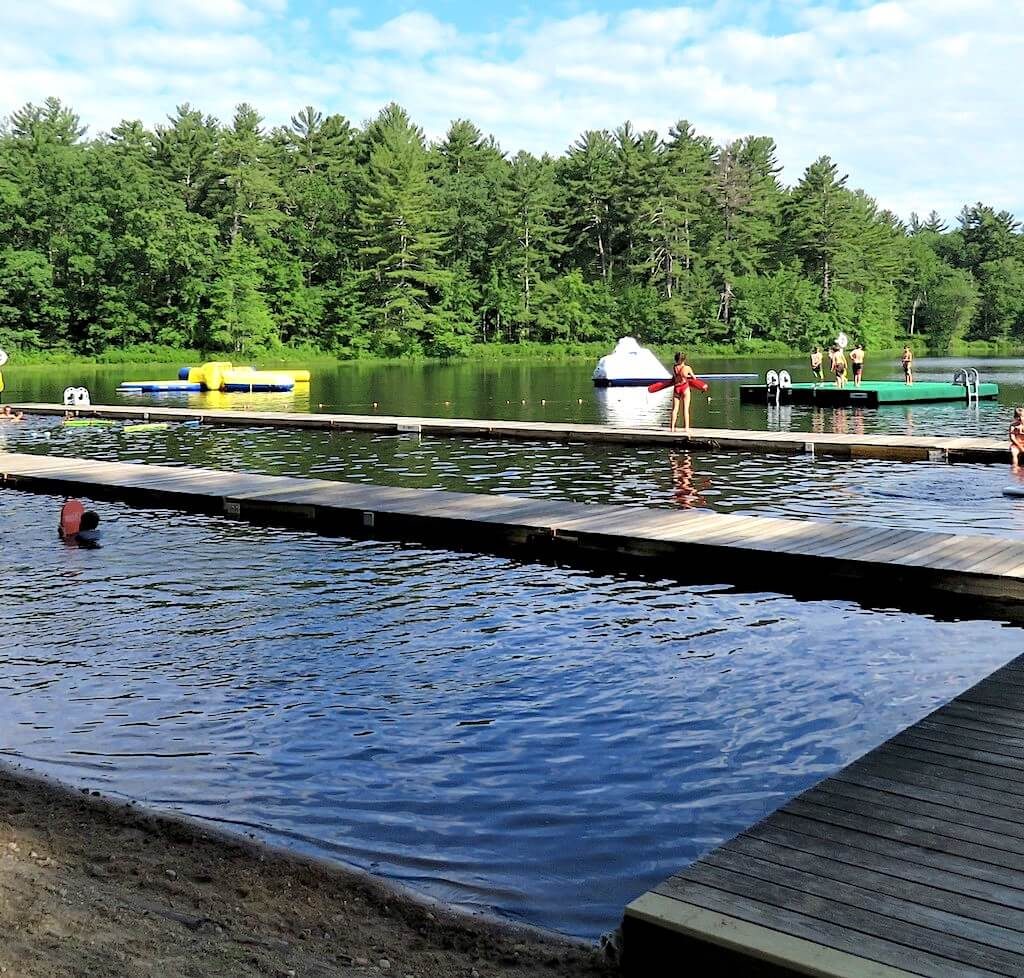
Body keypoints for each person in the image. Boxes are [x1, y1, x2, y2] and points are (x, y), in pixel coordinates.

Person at [669, 352, 708, 433]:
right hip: (685, 387)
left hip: (677, 388)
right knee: (686, 409)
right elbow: (694, 378)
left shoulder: (674, 367)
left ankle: (672, 428)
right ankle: (686, 428)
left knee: (675, 409)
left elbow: (674, 378)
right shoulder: (687, 368)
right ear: (684, 359)